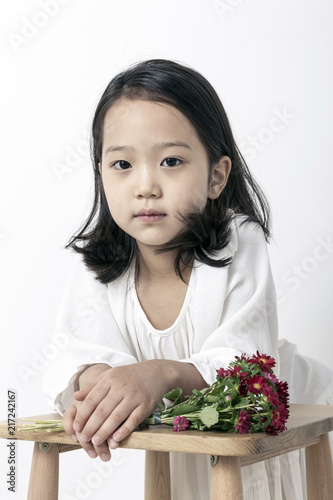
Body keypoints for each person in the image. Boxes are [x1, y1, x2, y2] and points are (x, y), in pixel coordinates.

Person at [43, 59, 330, 499]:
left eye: (171, 161)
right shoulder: (101, 264)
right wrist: (98, 379)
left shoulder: (238, 241)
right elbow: (72, 354)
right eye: (122, 164)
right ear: (100, 173)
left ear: (216, 176)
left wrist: (159, 372)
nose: (145, 186)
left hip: (282, 424)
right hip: (193, 438)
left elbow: (245, 362)